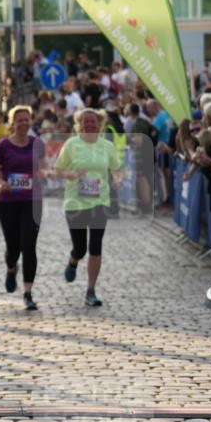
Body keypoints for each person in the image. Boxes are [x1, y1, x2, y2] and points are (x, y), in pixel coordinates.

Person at [55, 108, 122, 307]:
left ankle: (91, 290)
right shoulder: (71, 144)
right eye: (86, 121)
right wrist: (72, 175)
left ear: (99, 124)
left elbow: (117, 168)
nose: (90, 124)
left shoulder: (107, 146)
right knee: (80, 247)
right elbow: (58, 170)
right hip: (75, 202)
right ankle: (73, 260)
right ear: (80, 124)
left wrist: (117, 180)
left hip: (99, 201)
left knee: (95, 246)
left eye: (93, 121)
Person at [0, 105, 45, 311]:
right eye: (19, 120)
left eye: (26, 119)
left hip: (32, 200)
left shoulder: (37, 144)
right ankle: (11, 268)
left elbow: (44, 167)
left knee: (29, 245)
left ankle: (28, 292)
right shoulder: (3, 146)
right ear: (12, 123)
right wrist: (1, 182)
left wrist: (44, 173)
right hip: (7, 201)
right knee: (13, 247)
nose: (23, 123)